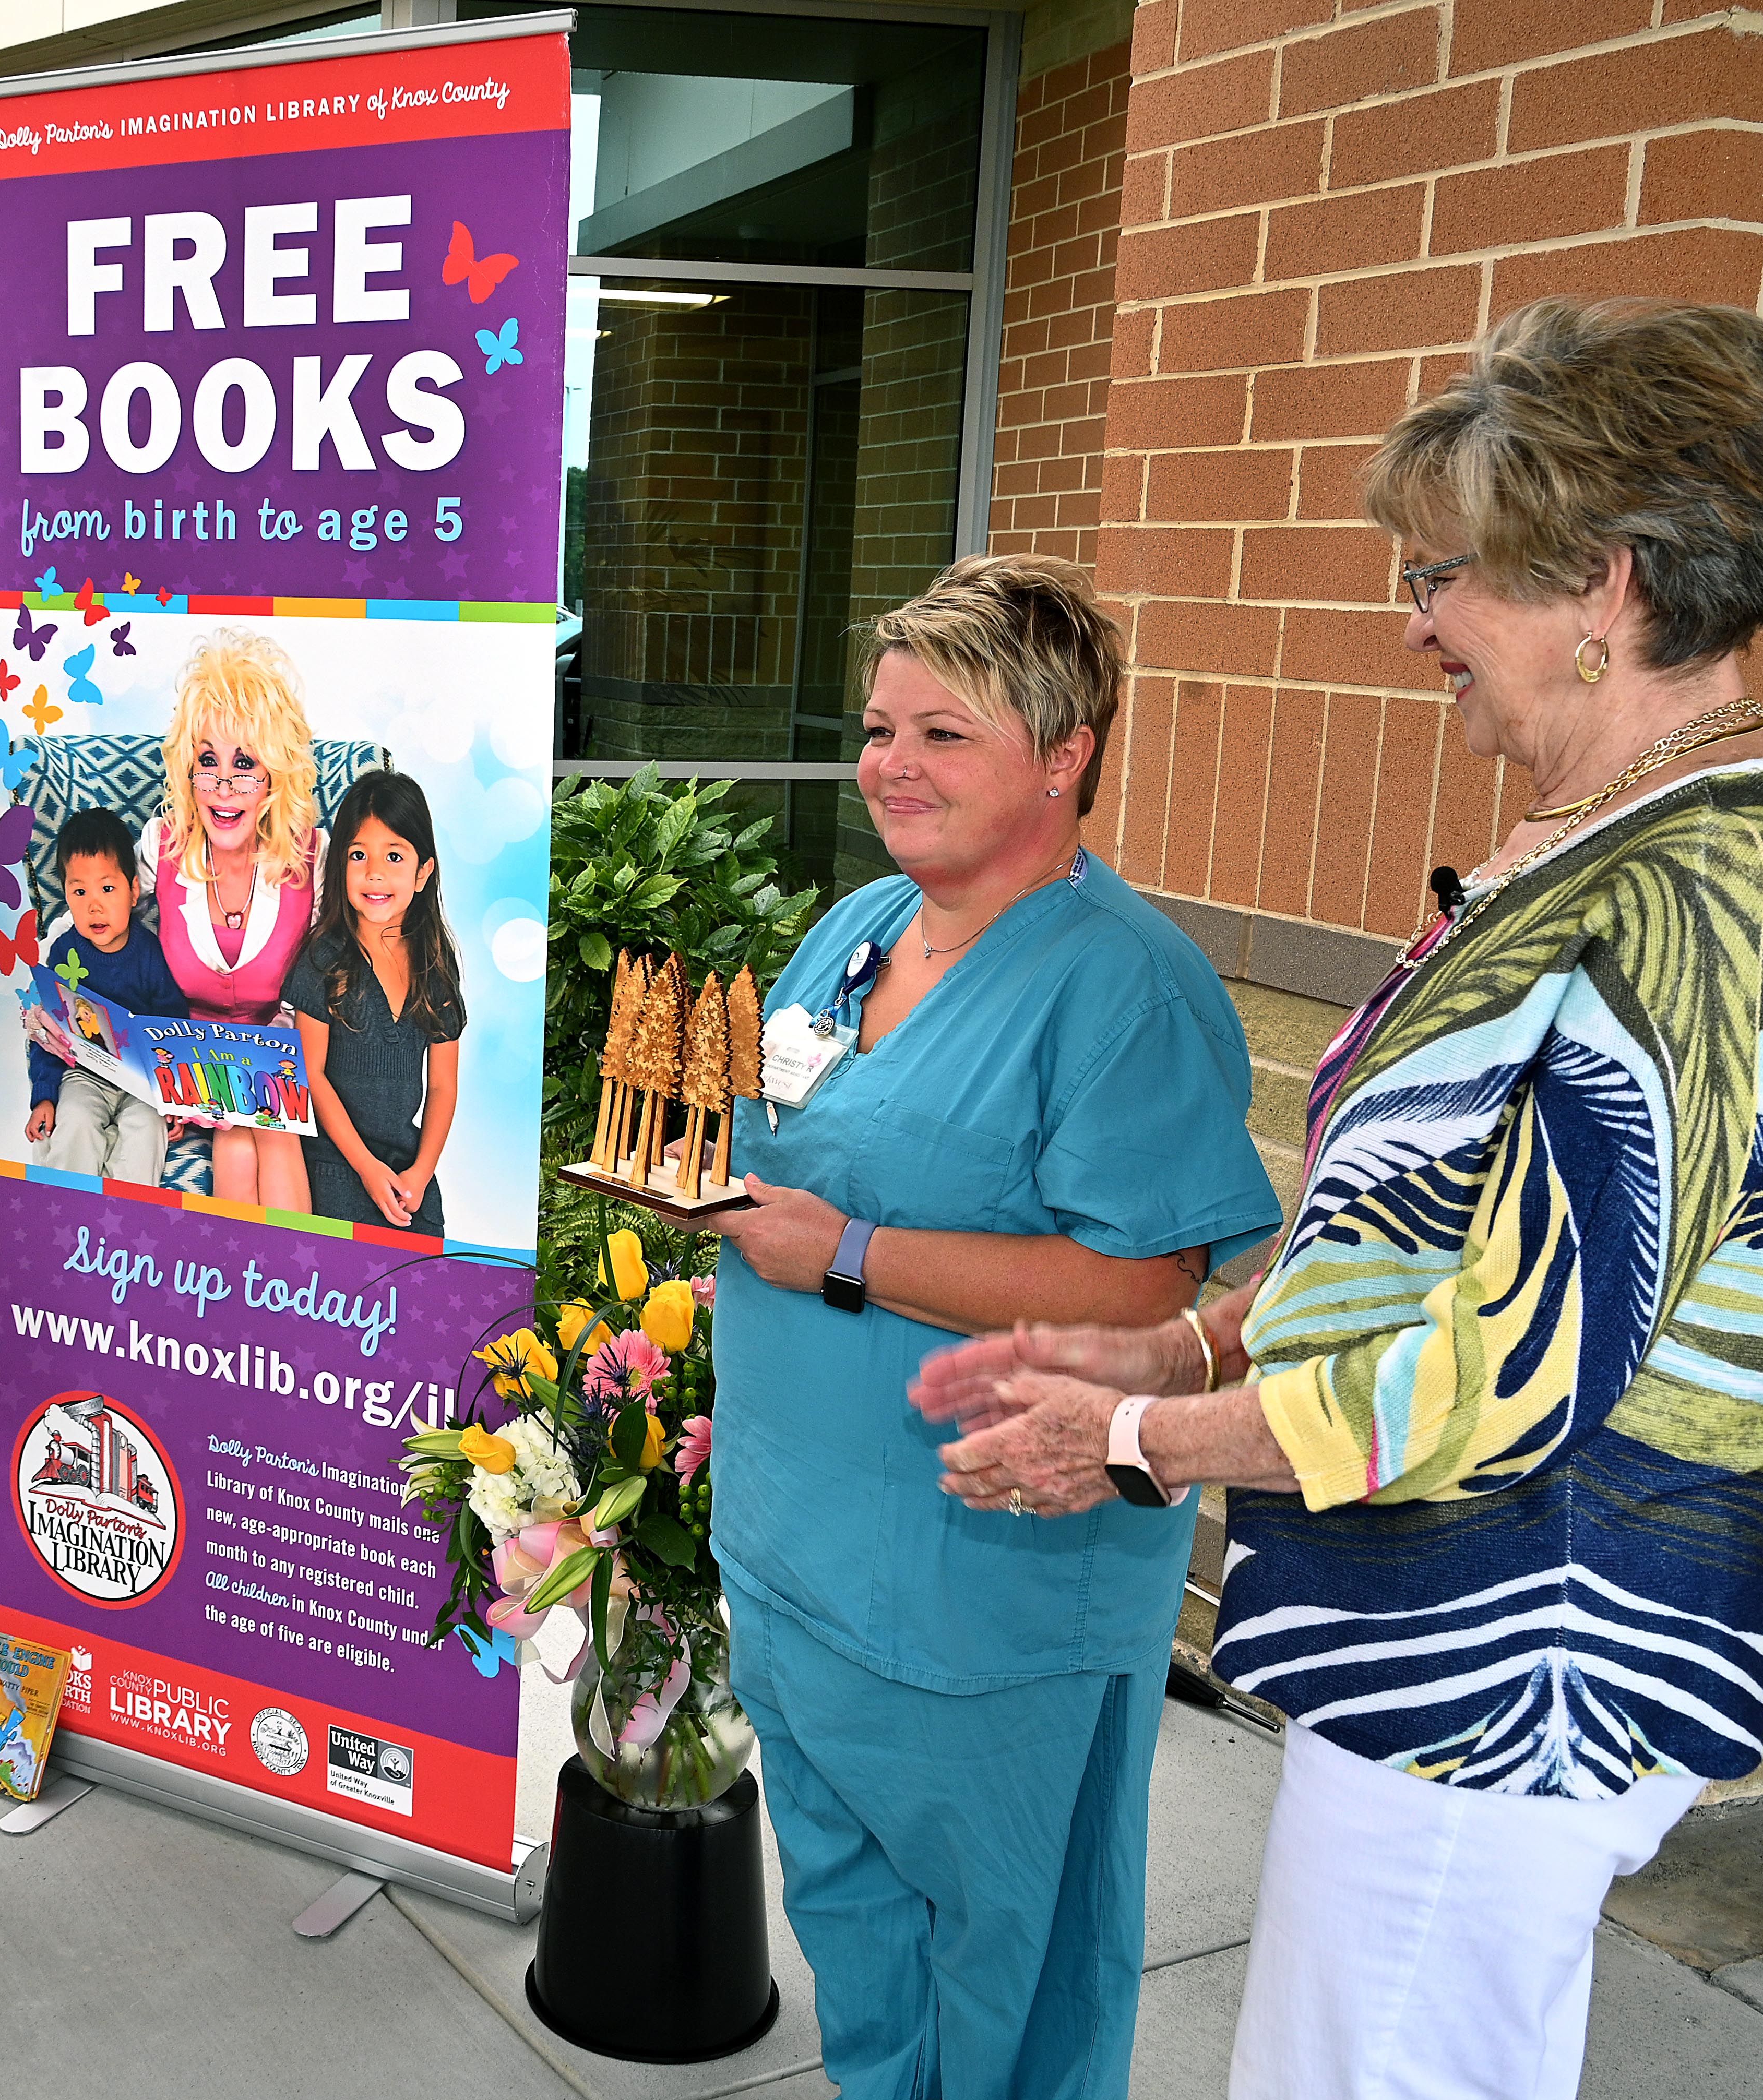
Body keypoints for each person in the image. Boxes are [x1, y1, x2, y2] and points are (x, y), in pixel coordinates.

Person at [910, 300, 1763, 2100]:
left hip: (1518, 1662)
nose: (1411, 621)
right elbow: (1409, 1228)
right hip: (1451, 1641)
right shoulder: (1611, 835)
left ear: (1598, 582)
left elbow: (1510, 1364)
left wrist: (1135, 1437)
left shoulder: (1723, 886)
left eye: (1442, 572)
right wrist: (1183, 1330)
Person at [700, 553, 1280, 2098]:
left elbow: (1147, 1286)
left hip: (980, 1577)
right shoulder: (854, 932)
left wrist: (851, 1256)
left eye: (943, 733)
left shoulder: (1126, 991)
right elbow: (792, 1157)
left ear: (1065, 751)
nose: (891, 763)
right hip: (798, 1541)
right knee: (851, 1914)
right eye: (881, 727)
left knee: (1009, 1948)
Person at [141, 628, 320, 1209]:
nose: (222, 786)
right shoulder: (163, 845)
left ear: (275, 772)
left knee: (264, 1138)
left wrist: (290, 1026)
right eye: (207, 761)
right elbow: (100, 917)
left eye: (244, 763)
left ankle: (292, 1285)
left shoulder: (313, 855)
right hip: (186, 1060)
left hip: (279, 1055)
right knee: (240, 1146)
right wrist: (49, 980)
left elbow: (334, 966)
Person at [287, 768, 463, 1238]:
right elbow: (312, 1074)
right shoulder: (325, 958)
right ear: (340, 865)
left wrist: (421, 1174)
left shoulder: (436, 965)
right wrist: (365, 1167)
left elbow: (444, 1086)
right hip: (335, 1164)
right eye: (359, 855)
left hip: (407, 1168)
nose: (375, 873)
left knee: (422, 1290)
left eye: (395, 856)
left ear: (423, 872)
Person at [25, 805, 189, 1184]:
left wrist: (171, 1097)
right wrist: (45, 1097)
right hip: (84, 1075)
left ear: (134, 892)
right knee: (75, 1125)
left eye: (108, 888)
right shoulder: (65, 953)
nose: (94, 905)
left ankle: (123, 1225)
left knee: (147, 1132)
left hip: (141, 1083)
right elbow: (48, 1035)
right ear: (65, 894)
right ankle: (68, 1214)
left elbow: (172, 1024)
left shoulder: (151, 953)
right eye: (79, 891)